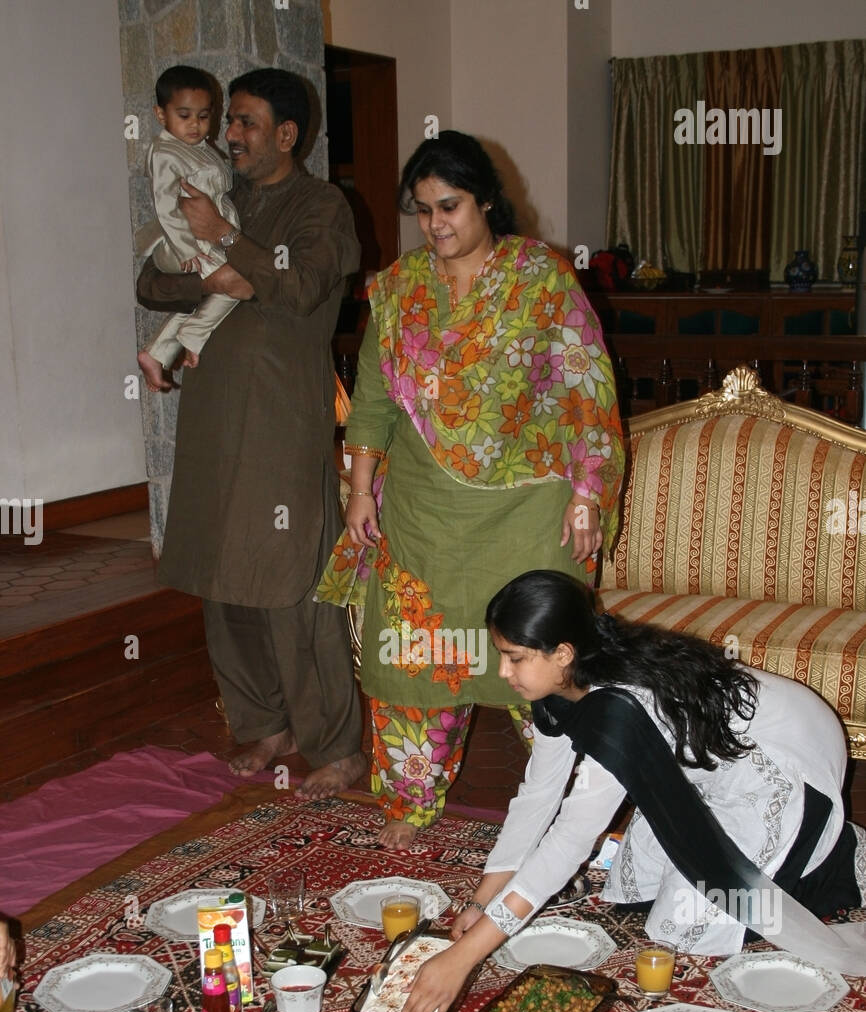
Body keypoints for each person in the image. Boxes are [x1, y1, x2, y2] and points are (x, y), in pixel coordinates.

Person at [317, 131, 624, 848]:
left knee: (541, 654)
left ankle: (585, 808)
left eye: (449, 205)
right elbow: (371, 398)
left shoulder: (541, 277)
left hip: (525, 508)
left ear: (486, 199)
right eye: (422, 211)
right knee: (415, 659)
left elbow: (586, 384)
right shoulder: (396, 290)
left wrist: (587, 492)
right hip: (424, 512)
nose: (436, 225)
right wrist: (362, 490)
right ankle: (413, 801)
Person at [398, 570, 866, 1012]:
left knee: (682, 926)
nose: (503, 672)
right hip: (710, 773)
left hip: (781, 770)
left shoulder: (620, 709)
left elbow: (571, 836)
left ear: (562, 653)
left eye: (514, 658)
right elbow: (537, 797)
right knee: (633, 889)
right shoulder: (562, 681)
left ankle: (834, 858)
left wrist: (463, 957)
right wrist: (483, 901)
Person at [137, 68, 366, 798]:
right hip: (211, 415)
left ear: (288, 134)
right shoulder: (216, 193)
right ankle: (266, 722)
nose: (227, 134)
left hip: (279, 419)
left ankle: (337, 743)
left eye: (245, 122)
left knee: (289, 580)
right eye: (225, 121)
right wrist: (219, 267)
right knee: (220, 578)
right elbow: (152, 279)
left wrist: (227, 242)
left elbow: (299, 287)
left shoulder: (322, 206)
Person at [136, 65, 241, 393]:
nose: (195, 125)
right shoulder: (165, 152)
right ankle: (192, 338)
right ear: (161, 114)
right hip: (184, 244)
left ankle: (159, 353)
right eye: (184, 115)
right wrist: (186, 250)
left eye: (203, 116)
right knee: (238, 282)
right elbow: (166, 207)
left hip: (208, 240)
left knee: (222, 289)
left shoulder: (200, 148)